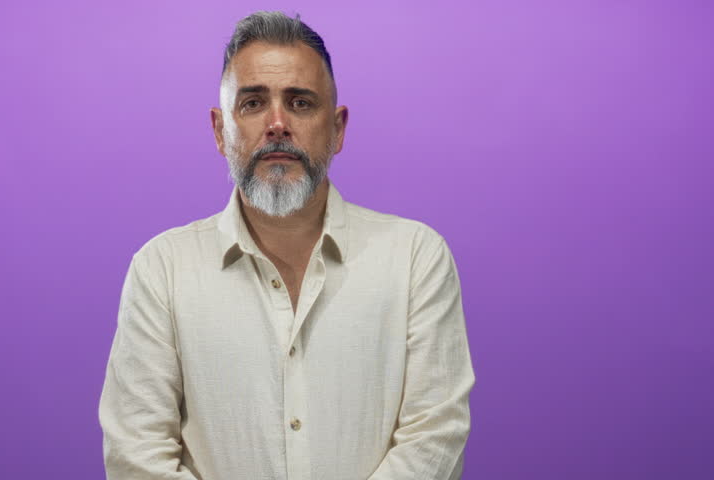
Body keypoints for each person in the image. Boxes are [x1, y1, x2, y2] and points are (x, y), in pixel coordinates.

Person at [98, 10, 475, 480]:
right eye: (253, 103)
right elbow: (138, 456)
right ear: (220, 130)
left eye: (299, 103)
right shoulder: (162, 270)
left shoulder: (416, 258)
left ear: (337, 129)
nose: (277, 124)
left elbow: (433, 440)